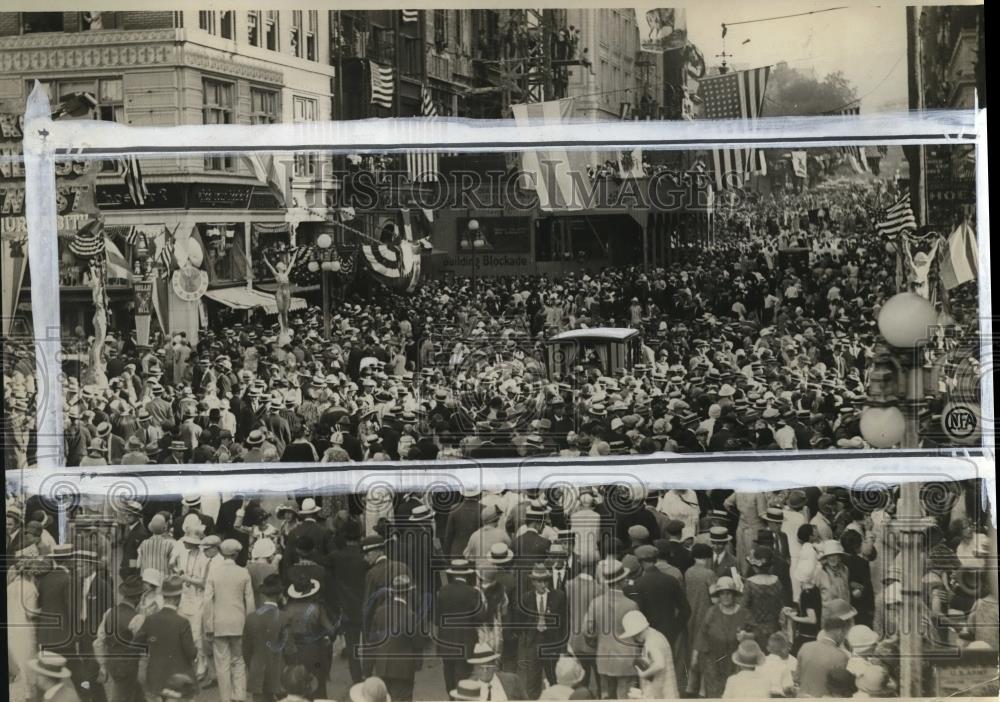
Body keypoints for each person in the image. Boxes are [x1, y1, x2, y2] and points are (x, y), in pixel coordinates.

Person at [203, 539, 254, 702]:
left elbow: (207, 600)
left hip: (219, 624)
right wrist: (249, 624)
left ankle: (225, 698)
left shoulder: (214, 572)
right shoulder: (243, 572)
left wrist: (208, 625)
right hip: (239, 623)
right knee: (239, 661)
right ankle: (239, 695)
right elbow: (250, 601)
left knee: (221, 663)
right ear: (236, 554)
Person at [134, 575, 197, 702]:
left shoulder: (150, 620)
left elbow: (135, 645)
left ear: (163, 596)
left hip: (155, 677)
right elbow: (191, 653)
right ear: (178, 598)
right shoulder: (182, 622)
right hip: (179, 680)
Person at [584, 559, 639, 700]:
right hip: (626, 658)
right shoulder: (631, 605)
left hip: (604, 656)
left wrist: (596, 642)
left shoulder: (595, 603)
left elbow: (587, 631)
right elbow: (638, 635)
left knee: (606, 695)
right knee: (624, 695)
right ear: (621, 581)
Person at [691, 577, 753, 698]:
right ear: (718, 595)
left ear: (734, 594)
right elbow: (702, 633)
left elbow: (756, 633)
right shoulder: (712, 611)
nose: (725, 597)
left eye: (728, 593)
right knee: (715, 694)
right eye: (722, 593)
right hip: (713, 661)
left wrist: (746, 635)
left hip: (735, 661)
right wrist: (695, 655)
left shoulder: (744, 613)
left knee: (734, 693)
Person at [517, 563, 568, 697]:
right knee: (532, 681)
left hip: (552, 643)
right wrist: (530, 633)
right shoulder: (526, 598)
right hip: (533, 643)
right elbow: (521, 622)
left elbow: (565, 624)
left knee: (554, 680)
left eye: (545, 580)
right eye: (539, 581)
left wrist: (562, 649)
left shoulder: (559, 596)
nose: (543, 584)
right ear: (533, 582)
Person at [795, 598, 856, 697]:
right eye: (846, 630)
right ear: (840, 631)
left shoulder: (805, 647)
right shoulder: (841, 657)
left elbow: (797, 678)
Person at [243, 575, 288, 702]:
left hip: (258, 671)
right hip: (279, 672)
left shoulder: (251, 617)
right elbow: (289, 649)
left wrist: (253, 665)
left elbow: (246, 650)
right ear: (280, 595)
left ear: (264, 595)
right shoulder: (284, 617)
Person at [621, 610, 679, 699]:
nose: (634, 639)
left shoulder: (651, 643)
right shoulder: (657, 635)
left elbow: (660, 664)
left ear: (637, 633)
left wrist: (643, 674)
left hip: (659, 693)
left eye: (633, 636)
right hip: (667, 690)